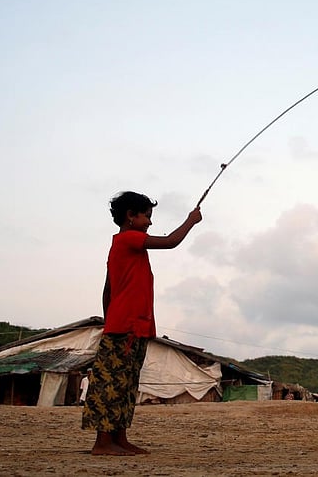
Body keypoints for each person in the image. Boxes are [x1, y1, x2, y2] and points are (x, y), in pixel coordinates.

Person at [82, 191, 202, 456]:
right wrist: (191, 220)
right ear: (130, 216)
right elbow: (171, 242)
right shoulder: (128, 239)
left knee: (126, 384)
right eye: (146, 216)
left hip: (132, 326)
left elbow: (107, 289)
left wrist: (109, 319)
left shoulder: (122, 246)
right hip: (124, 326)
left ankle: (120, 438)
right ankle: (103, 443)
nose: (149, 222)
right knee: (112, 384)